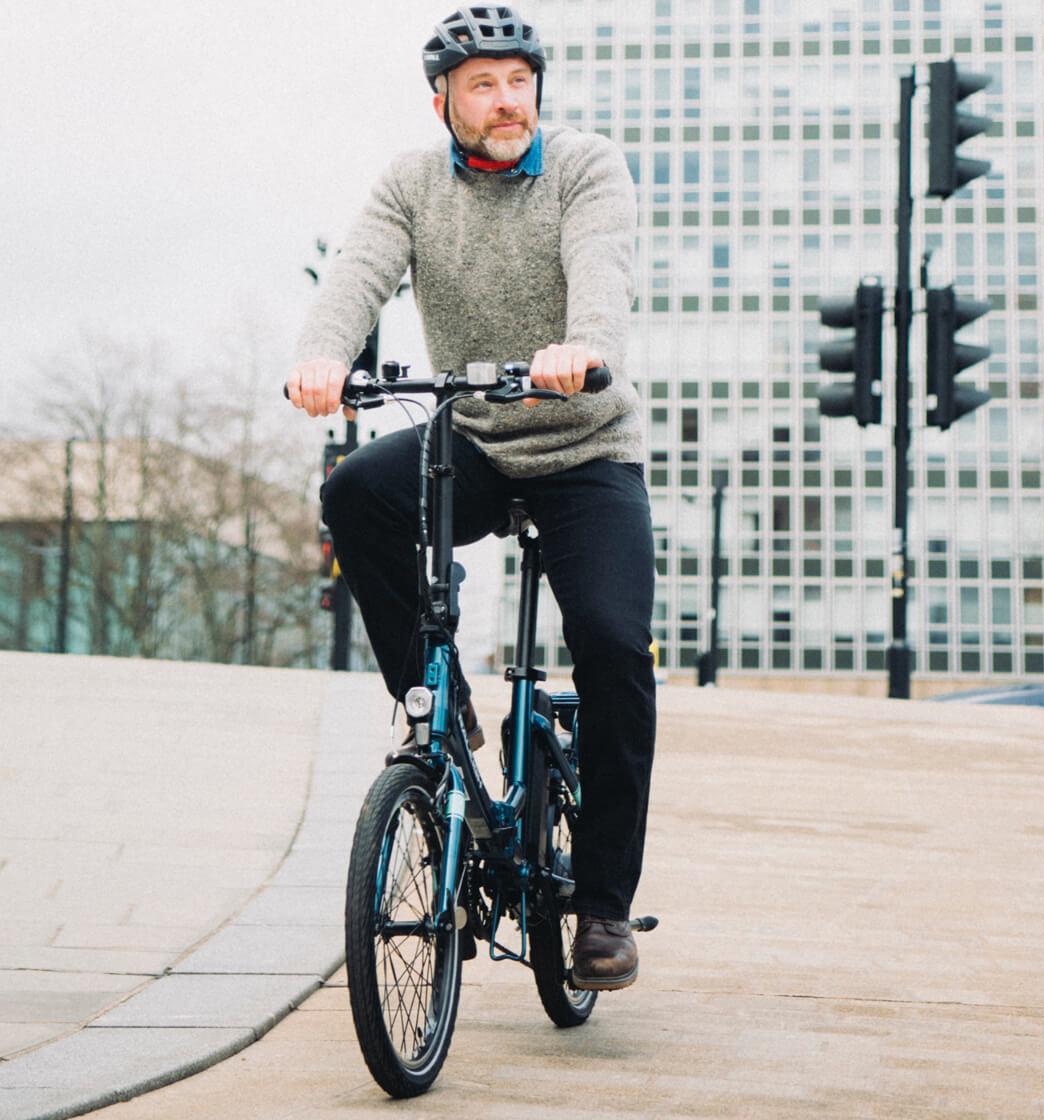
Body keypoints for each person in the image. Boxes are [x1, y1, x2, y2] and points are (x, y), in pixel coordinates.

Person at [286, 6, 654, 992]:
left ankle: (605, 907)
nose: (506, 101)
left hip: (585, 444)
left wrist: (586, 350)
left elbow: (602, 270)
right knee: (357, 490)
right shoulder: (412, 183)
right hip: (482, 436)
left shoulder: (586, 167)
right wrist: (322, 354)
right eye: (483, 85)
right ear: (442, 100)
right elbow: (357, 272)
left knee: (615, 645)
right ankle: (432, 706)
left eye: (519, 81)